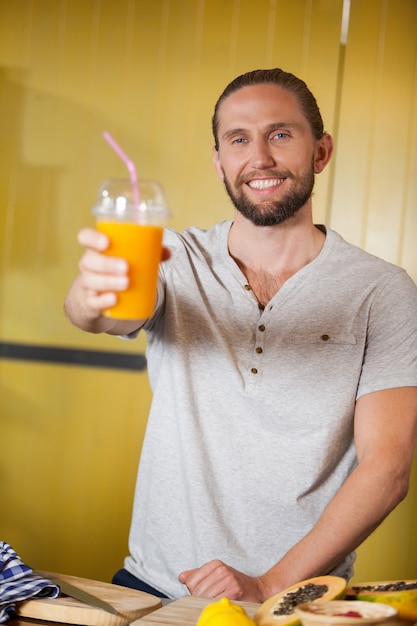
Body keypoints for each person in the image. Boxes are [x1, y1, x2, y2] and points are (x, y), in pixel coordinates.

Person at [64, 68, 417, 603]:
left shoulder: (382, 291)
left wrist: (269, 583)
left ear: (320, 152)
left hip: (296, 599)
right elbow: (105, 315)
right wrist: (90, 299)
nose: (260, 158)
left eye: (280, 134)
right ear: (220, 162)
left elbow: (387, 469)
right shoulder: (176, 259)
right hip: (158, 588)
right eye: (238, 139)